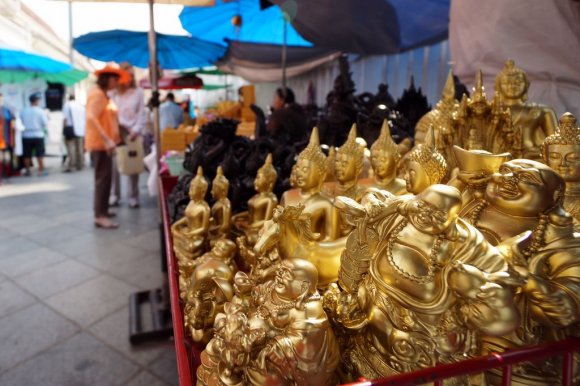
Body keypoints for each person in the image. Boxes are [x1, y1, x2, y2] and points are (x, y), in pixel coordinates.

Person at [85, 64, 129, 229]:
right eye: (115, 79)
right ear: (107, 79)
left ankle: (103, 210)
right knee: (102, 180)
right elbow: (91, 117)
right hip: (100, 144)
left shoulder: (104, 95)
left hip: (105, 144)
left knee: (106, 178)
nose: (117, 82)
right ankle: (99, 215)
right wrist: (107, 140)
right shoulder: (97, 94)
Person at [110, 63, 146, 208]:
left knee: (133, 164)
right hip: (117, 133)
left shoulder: (138, 92)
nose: (129, 79)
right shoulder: (113, 94)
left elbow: (141, 114)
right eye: (127, 75)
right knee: (115, 166)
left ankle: (133, 196)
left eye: (131, 75)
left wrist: (136, 130)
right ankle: (114, 195)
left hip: (133, 133)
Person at [20, 93, 48, 176]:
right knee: (39, 154)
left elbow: (20, 122)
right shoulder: (40, 111)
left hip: (26, 134)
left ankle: (28, 170)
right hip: (38, 134)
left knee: (27, 154)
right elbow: (45, 123)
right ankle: (41, 170)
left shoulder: (24, 111)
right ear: (36, 101)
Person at [62, 95, 86, 172]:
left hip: (70, 129)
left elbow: (65, 118)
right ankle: (81, 164)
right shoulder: (80, 106)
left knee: (71, 147)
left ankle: (72, 164)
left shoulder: (67, 105)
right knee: (79, 148)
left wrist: (64, 128)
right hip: (80, 129)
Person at [0, 93, 15, 179]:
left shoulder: (6, 110)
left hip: (6, 138)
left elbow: (12, 122)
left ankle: (6, 174)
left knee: (6, 158)